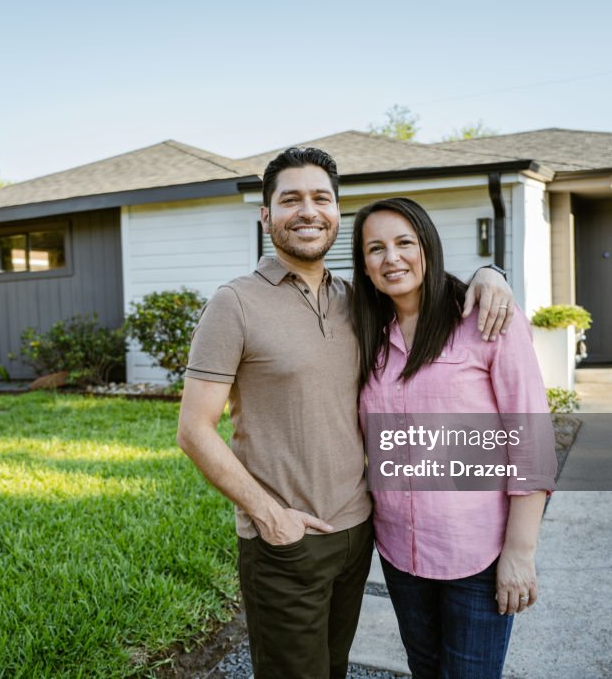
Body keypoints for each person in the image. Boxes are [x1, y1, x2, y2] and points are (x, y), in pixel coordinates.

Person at [175, 148, 516, 678]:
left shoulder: (359, 301)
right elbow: (194, 430)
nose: (307, 211)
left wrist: (491, 274)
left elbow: (420, 284)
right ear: (266, 216)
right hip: (286, 538)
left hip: (360, 535)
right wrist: (269, 516)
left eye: (321, 198)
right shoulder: (234, 304)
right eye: (290, 200)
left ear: (337, 213)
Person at [352, 197, 556, 678]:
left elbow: (532, 441)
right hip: (400, 552)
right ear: (364, 264)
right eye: (375, 248)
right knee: (424, 669)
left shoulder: (485, 322)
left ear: (428, 244)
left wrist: (519, 553)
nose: (392, 258)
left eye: (404, 242)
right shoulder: (365, 331)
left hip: (477, 554)